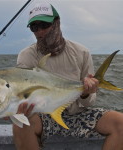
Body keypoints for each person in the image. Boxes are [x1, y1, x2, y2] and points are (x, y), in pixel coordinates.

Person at [13, 2, 123, 150]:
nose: (40, 32)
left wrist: (85, 93)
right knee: (20, 123)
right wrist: (16, 108)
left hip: (78, 115)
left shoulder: (81, 52)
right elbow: (21, 96)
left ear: (57, 23)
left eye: (44, 25)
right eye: (35, 27)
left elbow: (88, 103)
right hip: (44, 117)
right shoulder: (26, 56)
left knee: (120, 123)